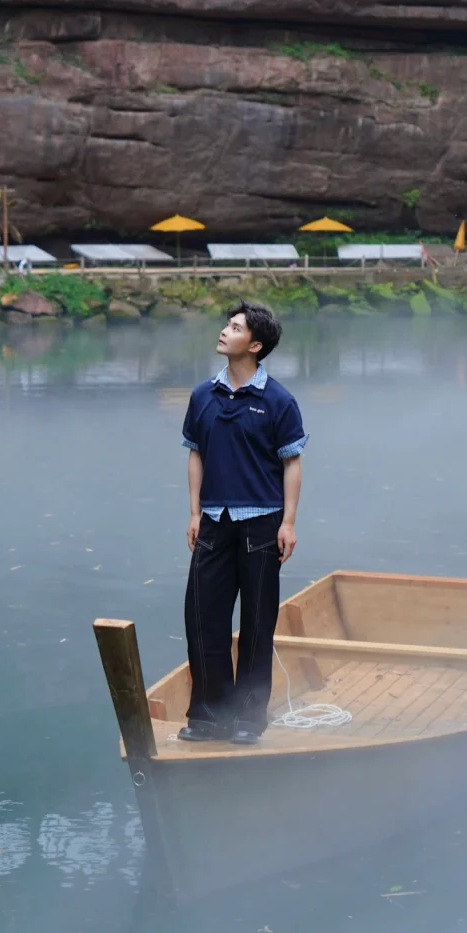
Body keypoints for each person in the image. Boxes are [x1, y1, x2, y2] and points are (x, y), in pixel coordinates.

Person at [179, 301, 308, 746]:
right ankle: (209, 716)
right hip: (214, 522)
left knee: (256, 624)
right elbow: (196, 453)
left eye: (234, 328)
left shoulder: (278, 401)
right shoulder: (202, 396)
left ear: (254, 345)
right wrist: (195, 513)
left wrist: (288, 523)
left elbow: (292, 463)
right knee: (201, 617)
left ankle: (248, 720)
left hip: (261, 526)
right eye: (226, 324)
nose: (223, 331)